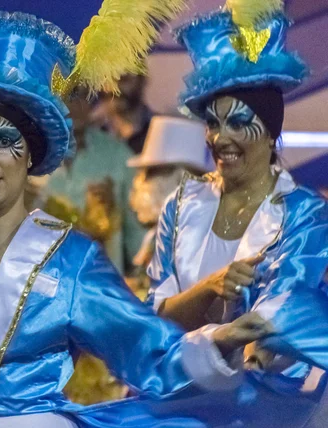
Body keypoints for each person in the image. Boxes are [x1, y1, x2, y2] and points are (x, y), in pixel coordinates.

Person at [0, 8, 274, 427]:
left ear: (30, 155)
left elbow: (150, 351)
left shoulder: (67, 260)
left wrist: (219, 342)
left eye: (4, 140)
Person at [146, 0, 328, 426]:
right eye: (212, 122)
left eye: (238, 122)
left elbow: (273, 319)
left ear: (270, 131)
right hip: (183, 387)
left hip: (275, 400)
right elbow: (156, 318)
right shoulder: (181, 205)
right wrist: (209, 288)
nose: (220, 137)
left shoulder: (303, 213)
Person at [43, 91, 145, 274]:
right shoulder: (25, 158)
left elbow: (139, 239)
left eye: (81, 94)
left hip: (102, 287)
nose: (75, 105)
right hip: (40, 288)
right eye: (66, 95)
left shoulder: (118, 156)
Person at [127, 116, 212, 299]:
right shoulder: (156, 234)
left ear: (181, 178)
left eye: (154, 172)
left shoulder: (192, 236)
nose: (141, 182)